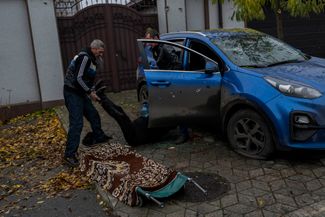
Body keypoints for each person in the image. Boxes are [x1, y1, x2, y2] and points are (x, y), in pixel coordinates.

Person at [63, 39, 111, 167]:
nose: (101, 55)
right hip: (72, 92)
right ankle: (69, 155)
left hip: (80, 92)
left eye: (102, 52)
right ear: (94, 48)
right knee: (77, 123)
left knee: (93, 114)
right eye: (100, 52)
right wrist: (90, 92)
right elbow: (78, 78)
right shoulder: (84, 58)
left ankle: (98, 136)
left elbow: (89, 79)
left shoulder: (93, 61)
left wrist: (92, 90)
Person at [145, 29, 189, 144]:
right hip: (164, 82)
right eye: (147, 41)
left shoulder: (166, 48)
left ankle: (184, 134)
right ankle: (169, 128)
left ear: (156, 37)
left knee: (179, 107)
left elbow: (178, 65)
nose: (148, 43)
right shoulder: (154, 49)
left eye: (150, 40)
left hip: (174, 82)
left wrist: (168, 75)